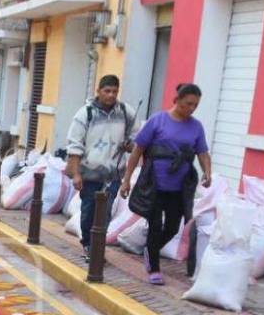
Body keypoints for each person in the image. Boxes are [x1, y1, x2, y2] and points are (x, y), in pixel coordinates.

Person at [120, 83, 213, 285]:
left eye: (195, 105)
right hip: (154, 184)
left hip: (179, 188)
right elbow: (137, 150)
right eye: (187, 104)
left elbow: (203, 152)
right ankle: (154, 267)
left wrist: (207, 171)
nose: (191, 109)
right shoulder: (157, 121)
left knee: (171, 227)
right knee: (155, 225)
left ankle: (149, 249)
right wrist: (126, 180)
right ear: (176, 100)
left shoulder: (196, 127)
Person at [65, 74, 136, 258]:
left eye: (114, 91)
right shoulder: (85, 114)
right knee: (89, 210)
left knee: (105, 212)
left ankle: (97, 249)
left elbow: (135, 140)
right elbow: (74, 145)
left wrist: (130, 145)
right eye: (107, 91)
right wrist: (76, 174)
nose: (111, 95)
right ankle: (88, 243)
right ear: (98, 91)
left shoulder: (126, 113)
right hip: (89, 174)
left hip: (113, 174)